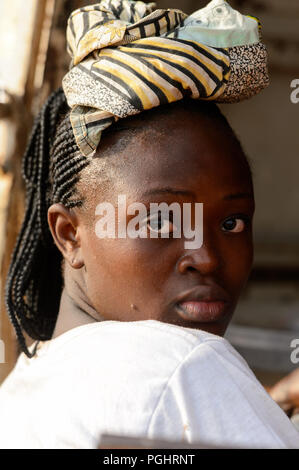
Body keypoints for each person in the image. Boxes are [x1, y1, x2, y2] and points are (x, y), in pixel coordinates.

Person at [0, 0, 298, 449]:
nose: (207, 257)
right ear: (69, 235)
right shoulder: (187, 365)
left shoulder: (22, 390)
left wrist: (256, 410)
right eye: (161, 219)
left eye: (233, 222)